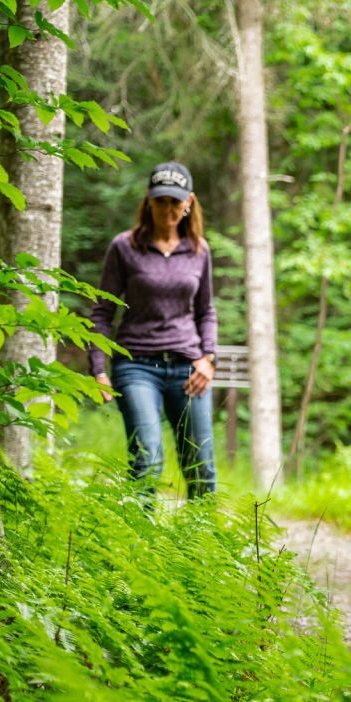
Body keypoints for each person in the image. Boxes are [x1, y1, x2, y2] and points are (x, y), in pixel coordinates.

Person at [89, 161, 218, 498]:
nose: (168, 210)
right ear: (148, 199)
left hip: (188, 367)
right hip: (136, 366)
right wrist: (98, 370)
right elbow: (102, 311)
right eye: (161, 201)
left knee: (201, 464)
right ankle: (140, 543)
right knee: (147, 458)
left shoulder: (199, 251)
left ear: (188, 202)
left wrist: (208, 358)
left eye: (175, 202)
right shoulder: (124, 247)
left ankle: (202, 545)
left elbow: (206, 310)